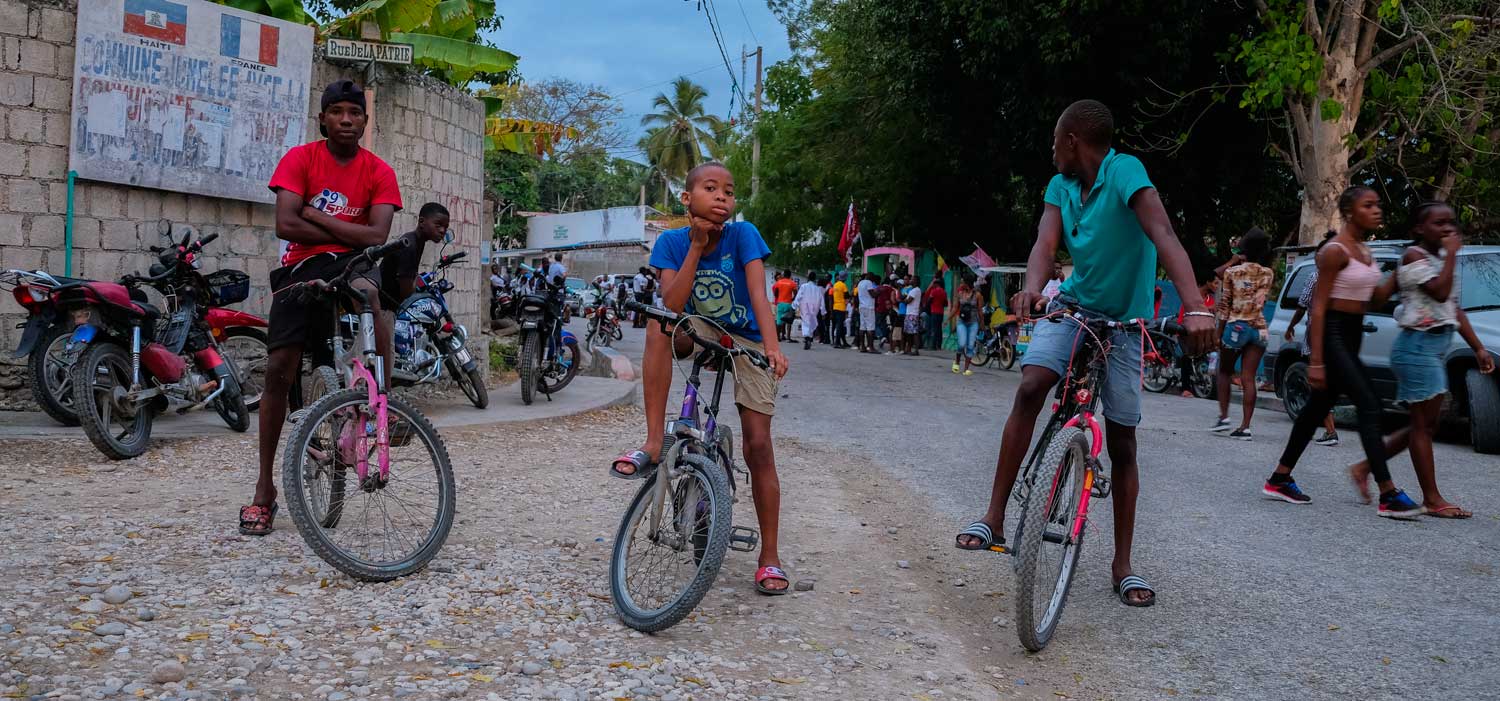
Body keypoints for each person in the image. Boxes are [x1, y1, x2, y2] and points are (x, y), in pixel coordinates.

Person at [953, 100, 1215, 608]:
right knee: (1030, 387)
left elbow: (1164, 236)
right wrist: (1032, 288)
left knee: (1122, 442)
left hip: (1124, 323)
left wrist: (1197, 307)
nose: (1052, 151)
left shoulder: (1125, 172)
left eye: (1055, 141)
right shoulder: (1061, 187)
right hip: (1072, 306)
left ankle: (1123, 566)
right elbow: (1044, 244)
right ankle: (993, 517)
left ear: (1072, 140)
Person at [608, 162, 791, 594]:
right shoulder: (671, 242)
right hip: (696, 326)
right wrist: (696, 245)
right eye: (711, 189)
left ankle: (769, 557)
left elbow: (761, 297)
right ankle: (654, 442)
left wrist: (772, 347)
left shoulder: (743, 236)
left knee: (759, 445)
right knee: (658, 323)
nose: (722, 197)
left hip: (744, 335)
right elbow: (673, 301)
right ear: (688, 199)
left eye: (729, 191)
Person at [243, 79, 402, 537]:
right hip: (303, 265)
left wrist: (315, 216)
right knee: (279, 369)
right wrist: (336, 229)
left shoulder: (379, 171)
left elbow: (377, 237)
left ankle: (381, 402)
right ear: (323, 119)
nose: (347, 120)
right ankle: (264, 489)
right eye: (338, 112)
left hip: (356, 266)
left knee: (375, 300)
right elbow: (283, 224)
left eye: (356, 113)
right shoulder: (300, 159)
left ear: (365, 122)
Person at [1263, 186, 1423, 518]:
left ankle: (1280, 477)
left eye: (1378, 204)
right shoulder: (1334, 251)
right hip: (1333, 332)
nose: (1377, 210)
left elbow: (1375, 300)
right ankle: (1388, 493)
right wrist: (1317, 361)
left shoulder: (1365, 252)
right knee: (1369, 403)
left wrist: (1399, 276)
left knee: (1315, 409)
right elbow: (1319, 309)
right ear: (1350, 211)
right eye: (1369, 205)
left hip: (1353, 334)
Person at [1348, 201, 1493, 517]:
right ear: (1418, 229)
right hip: (1416, 348)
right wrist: (1453, 254)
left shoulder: (1440, 260)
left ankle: (1364, 467)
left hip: (1431, 348)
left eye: (1450, 222)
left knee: (1425, 424)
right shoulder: (1414, 256)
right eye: (1438, 223)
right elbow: (1439, 294)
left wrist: (1479, 347)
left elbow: (1452, 307)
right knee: (1423, 426)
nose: (1447, 229)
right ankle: (1432, 499)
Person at [1209, 228, 1275, 440]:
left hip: (1237, 326)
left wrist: (1218, 334)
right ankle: (1245, 427)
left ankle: (1224, 417)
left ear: (1243, 249)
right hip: (1260, 329)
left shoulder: (1232, 272)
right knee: (1249, 377)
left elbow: (1225, 304)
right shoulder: (1268, 273)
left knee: (1224, 371)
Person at [1284, 236, 1343, 445]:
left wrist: (1291, 326)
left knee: (1319, 384)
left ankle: (1330, 430)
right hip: (1338, 335)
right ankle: (1329, 429)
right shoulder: (1343, 279)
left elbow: (1302, 306)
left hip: (1318, 334)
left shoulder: (1316, 277)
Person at [381, 203, 451, 306]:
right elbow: (407, 293)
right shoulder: (410, 245)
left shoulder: (418, 241)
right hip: (385, 305)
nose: (442, 231)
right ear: (422, 222)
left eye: (445, 227)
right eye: (438, 225)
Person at [948, 273, 983, 375]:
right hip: (962, 322)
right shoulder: (960, 294)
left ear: (967, 283)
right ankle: (957, 361)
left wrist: (981, 323)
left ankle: (966, 369)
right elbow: (955, 307)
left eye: (963, 281)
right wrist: (948, 319)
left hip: (973, 322)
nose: (961, 283)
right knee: (962, 343)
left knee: (971, 345)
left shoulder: (977, 295)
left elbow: (980, 310)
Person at [794, 270, 825, 351]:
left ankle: (807, 338)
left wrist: (794, 305)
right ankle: (809, 338)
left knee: (805, 323)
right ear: (815, 278)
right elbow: (822, 300)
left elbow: (798, 296)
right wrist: (823, 311)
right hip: (814, 308)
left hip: (804, 307)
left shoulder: (804, 286)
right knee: (811, 323)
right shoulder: (817, 289)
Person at [923, 277, 948, 350]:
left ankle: (933, 345)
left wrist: (928, 306)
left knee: (934, 328)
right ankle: (939, 345)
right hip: (941, 312)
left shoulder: (933, 291)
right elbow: (945, 303)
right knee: (939, 328)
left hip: (934, 311)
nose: (933, 285)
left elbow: (929, 301)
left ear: (937, 284)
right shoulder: (944, 292)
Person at [772, 270, 798, 342]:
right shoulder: (793, 283)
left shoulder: (778, 282)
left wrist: (780, 297)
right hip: (788, 304)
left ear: (784, 275)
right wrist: (792, 299)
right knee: (789, 321)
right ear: (790, 275)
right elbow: (796, 294)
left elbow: (776, 293)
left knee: (779, 321)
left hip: (780, 303)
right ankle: (788, 337)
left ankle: (778, 338)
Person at [856, 272, 878, 353]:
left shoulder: (860, 283)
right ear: (870, 278)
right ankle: (871, 347)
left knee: (862, 327)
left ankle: (862, 346)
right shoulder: (869, 283)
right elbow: (872, 294)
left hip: (862, 306)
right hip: (869, 307)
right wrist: (878, 292)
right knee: (870, 327)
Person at [874, 276, 897, 350]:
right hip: (887, 309)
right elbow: (893, 300)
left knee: (876, 324)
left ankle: (881, 336)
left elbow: (874, 296)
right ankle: (884, 336)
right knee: (885, 324)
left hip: (879, 308)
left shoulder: (878, 288)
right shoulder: (891, 289)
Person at [903, 276, 922, 355]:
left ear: (915, 281)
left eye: (912, 279)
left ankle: (916, 350)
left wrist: (904, 299)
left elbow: (908, 301)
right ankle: (909, 348)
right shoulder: (915, 290)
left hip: (912, 314)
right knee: (909, 333)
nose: (910, 280)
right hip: (911, 313)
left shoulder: (914, 290)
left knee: (914, 333)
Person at [830, 272, 850, 348]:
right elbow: (846, 295)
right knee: (840, 325)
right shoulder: (843, 285)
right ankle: (837, 342)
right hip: (841, 307)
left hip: (835, 307)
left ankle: (843, 342)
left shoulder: (835, 285)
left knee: (840, 325)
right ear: (845, 278)